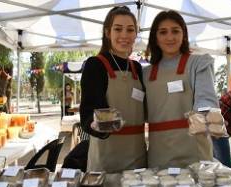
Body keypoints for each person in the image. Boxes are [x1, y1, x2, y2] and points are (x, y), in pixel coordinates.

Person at [144, 10, 218, 168]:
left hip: (194, 149)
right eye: (163, 32)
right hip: (159, 152)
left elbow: (207, 99)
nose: (170, 37)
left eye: (175, 31)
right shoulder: (145, 74)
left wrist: (205, 116)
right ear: (155, 38)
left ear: (184, 35)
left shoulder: (198, 63)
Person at [80, 6, 146, 173]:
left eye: (130, 30)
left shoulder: (137, 68)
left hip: (137, 157)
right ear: (108, 33)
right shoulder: (96, 65)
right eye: (118, 29)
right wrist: (97, 125)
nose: (124, 35)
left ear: (135, 34)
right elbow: (87, 114)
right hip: (106, 158)